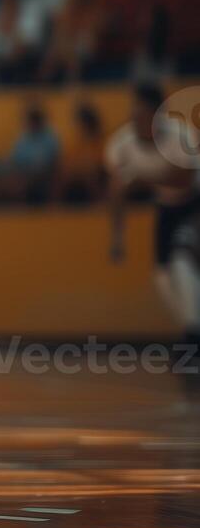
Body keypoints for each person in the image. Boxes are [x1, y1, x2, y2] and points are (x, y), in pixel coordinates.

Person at [107, 82, 200, 340]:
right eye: (135, 112)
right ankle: (191, 329)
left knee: (182, 260)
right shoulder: (122, 144)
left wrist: (143, 180)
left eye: (144, 111)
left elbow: (184, 180)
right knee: (162, 275)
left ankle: (192, 336)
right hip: (166, 208)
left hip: (194, 203)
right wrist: (117, 237)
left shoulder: (181, 134)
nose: (137, 117)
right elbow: (117, 193)